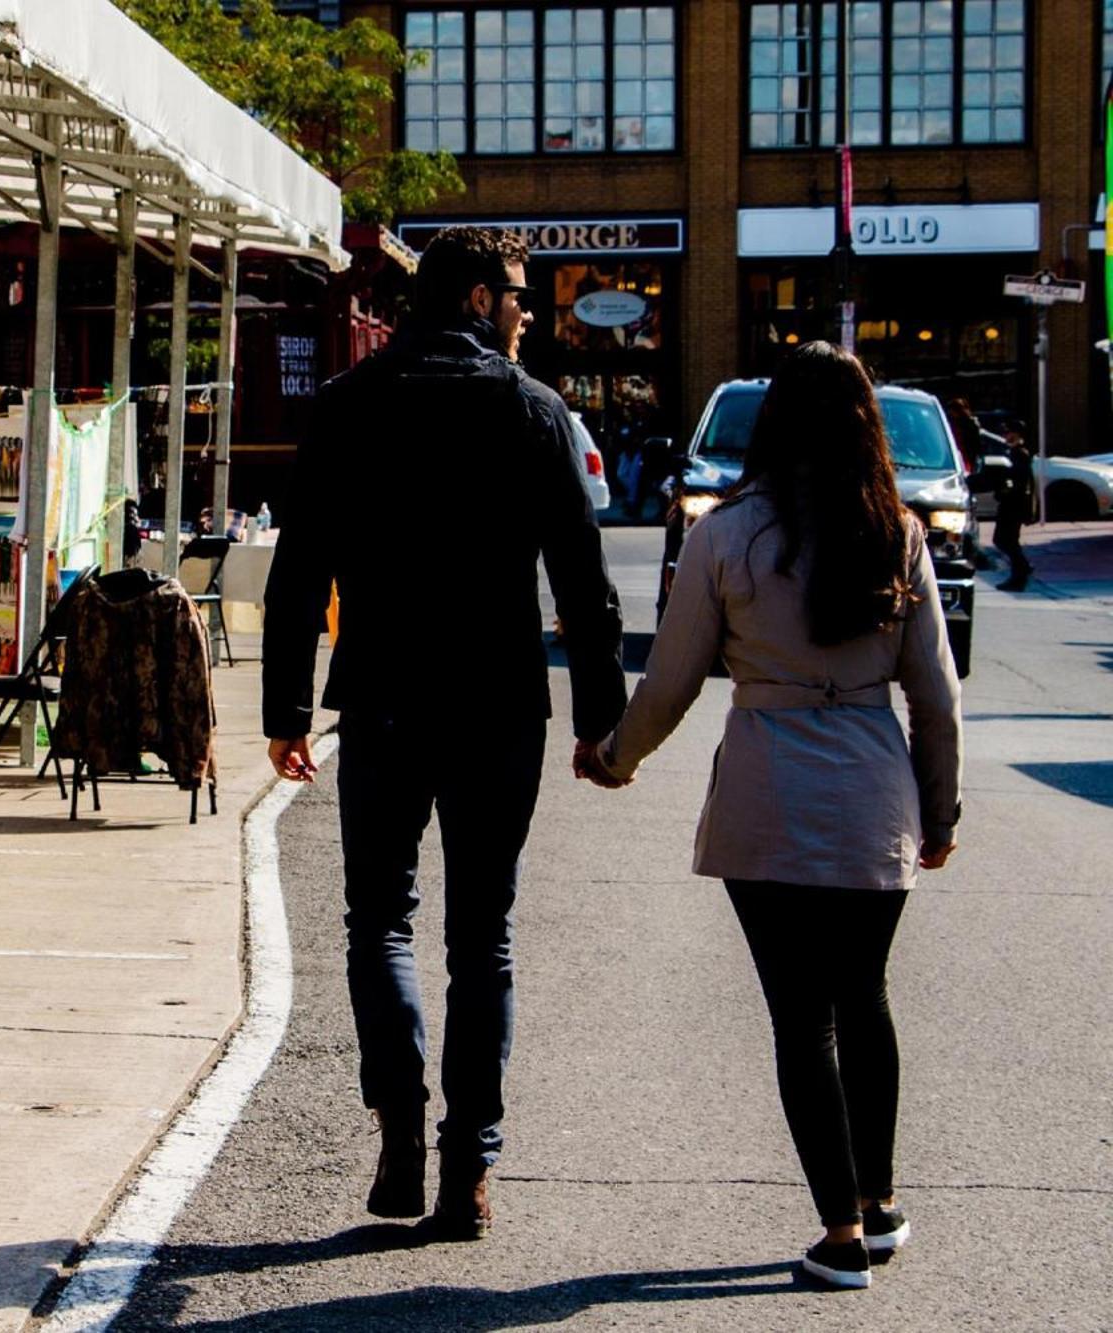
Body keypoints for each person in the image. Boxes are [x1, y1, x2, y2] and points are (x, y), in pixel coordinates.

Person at [262, 226, 627, 1239]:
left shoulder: (347, 407)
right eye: (513, 293)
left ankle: (396, 1133)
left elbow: (301, 574)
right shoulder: (532, 410)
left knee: (377, 918)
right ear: (473, 297)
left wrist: (284, 711)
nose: (521, 310)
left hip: (381, 698)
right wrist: (602, 722)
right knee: (481, 938)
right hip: (498, 704)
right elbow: (583, 586)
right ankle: (467, 1168)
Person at [578, 341, 962, 1290]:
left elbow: (669, 682)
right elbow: (939, 699)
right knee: (864, 997)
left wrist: (616, 758)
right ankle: (876, 1205)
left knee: (802, 1021)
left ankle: (838, 1234)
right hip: (878, 793)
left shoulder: (726, 536)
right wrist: (939, 809)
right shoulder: (898, 535)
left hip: (767, 793)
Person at [943, 398, 993, 570]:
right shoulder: (956, 424)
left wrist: (971, 464)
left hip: (965, 462)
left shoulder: (970, 424)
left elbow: (975, 447)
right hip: (961, 460)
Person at [990, 426, 1037, 591]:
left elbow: (1019, 483)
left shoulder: (1020, 454)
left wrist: (1004, 491)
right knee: (1005, 540)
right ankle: (1020, 570)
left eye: (1010, 433)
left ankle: (1021, 571)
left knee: (1005, 540)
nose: (1006, 436)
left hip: (1013, 505)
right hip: (1010, 504)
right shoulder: (1013, 453)